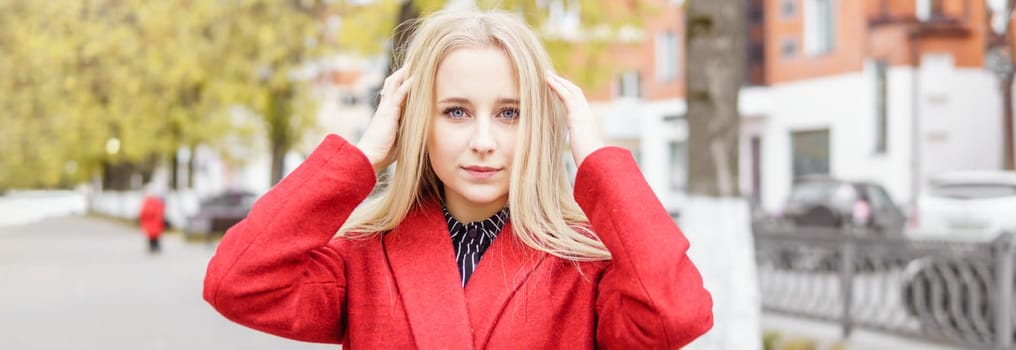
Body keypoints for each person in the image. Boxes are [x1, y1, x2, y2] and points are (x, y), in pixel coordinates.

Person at [203, 10, 712, 349]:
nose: (484, 140)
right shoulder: (365, 255)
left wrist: (598, 160)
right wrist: (362, 157)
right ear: (417, 120)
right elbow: (237, 283)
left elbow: (677, 314)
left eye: (510, 113)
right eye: (456, 112)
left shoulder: (586, 264)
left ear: (541, 121)